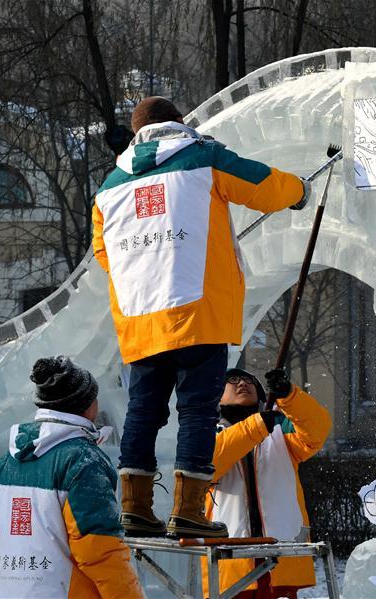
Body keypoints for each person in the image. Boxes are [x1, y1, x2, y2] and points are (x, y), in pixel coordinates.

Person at [92, 97, 309, 538]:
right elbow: (263, 186)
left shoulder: (109, 186)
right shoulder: (202, 158)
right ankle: (188, 510)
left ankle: (135, 508)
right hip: (197, 311)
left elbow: (104, 253)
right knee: (197, 411)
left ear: (136, 134)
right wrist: (300, 191)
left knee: (143, 412)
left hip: (140, 317)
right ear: (179, 122)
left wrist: (150, 268)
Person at [0, 356, 145, 599]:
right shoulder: (82, 460)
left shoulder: (6, 463)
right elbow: (100, 551)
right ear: (87, 404)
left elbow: (2, 534)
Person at [202, 367, 331, 599]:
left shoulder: (282, 428)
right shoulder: (205, 433)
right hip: (228, 563)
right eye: (233, 379)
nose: (243, 383)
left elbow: (317, 430)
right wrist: (257, 425)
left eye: (249, 380)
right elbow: (209, 463)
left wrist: (290, 396)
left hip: (281, 559)